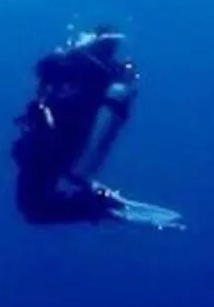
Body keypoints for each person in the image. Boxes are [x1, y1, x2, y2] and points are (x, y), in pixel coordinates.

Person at [11, 27, 140, 225]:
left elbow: (44, 69)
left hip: (49, 142)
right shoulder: (107, 75)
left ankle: (96, 203)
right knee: (36, 205)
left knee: (33, 208)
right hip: (66, 141)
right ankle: (95, 201)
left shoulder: (72, 63)